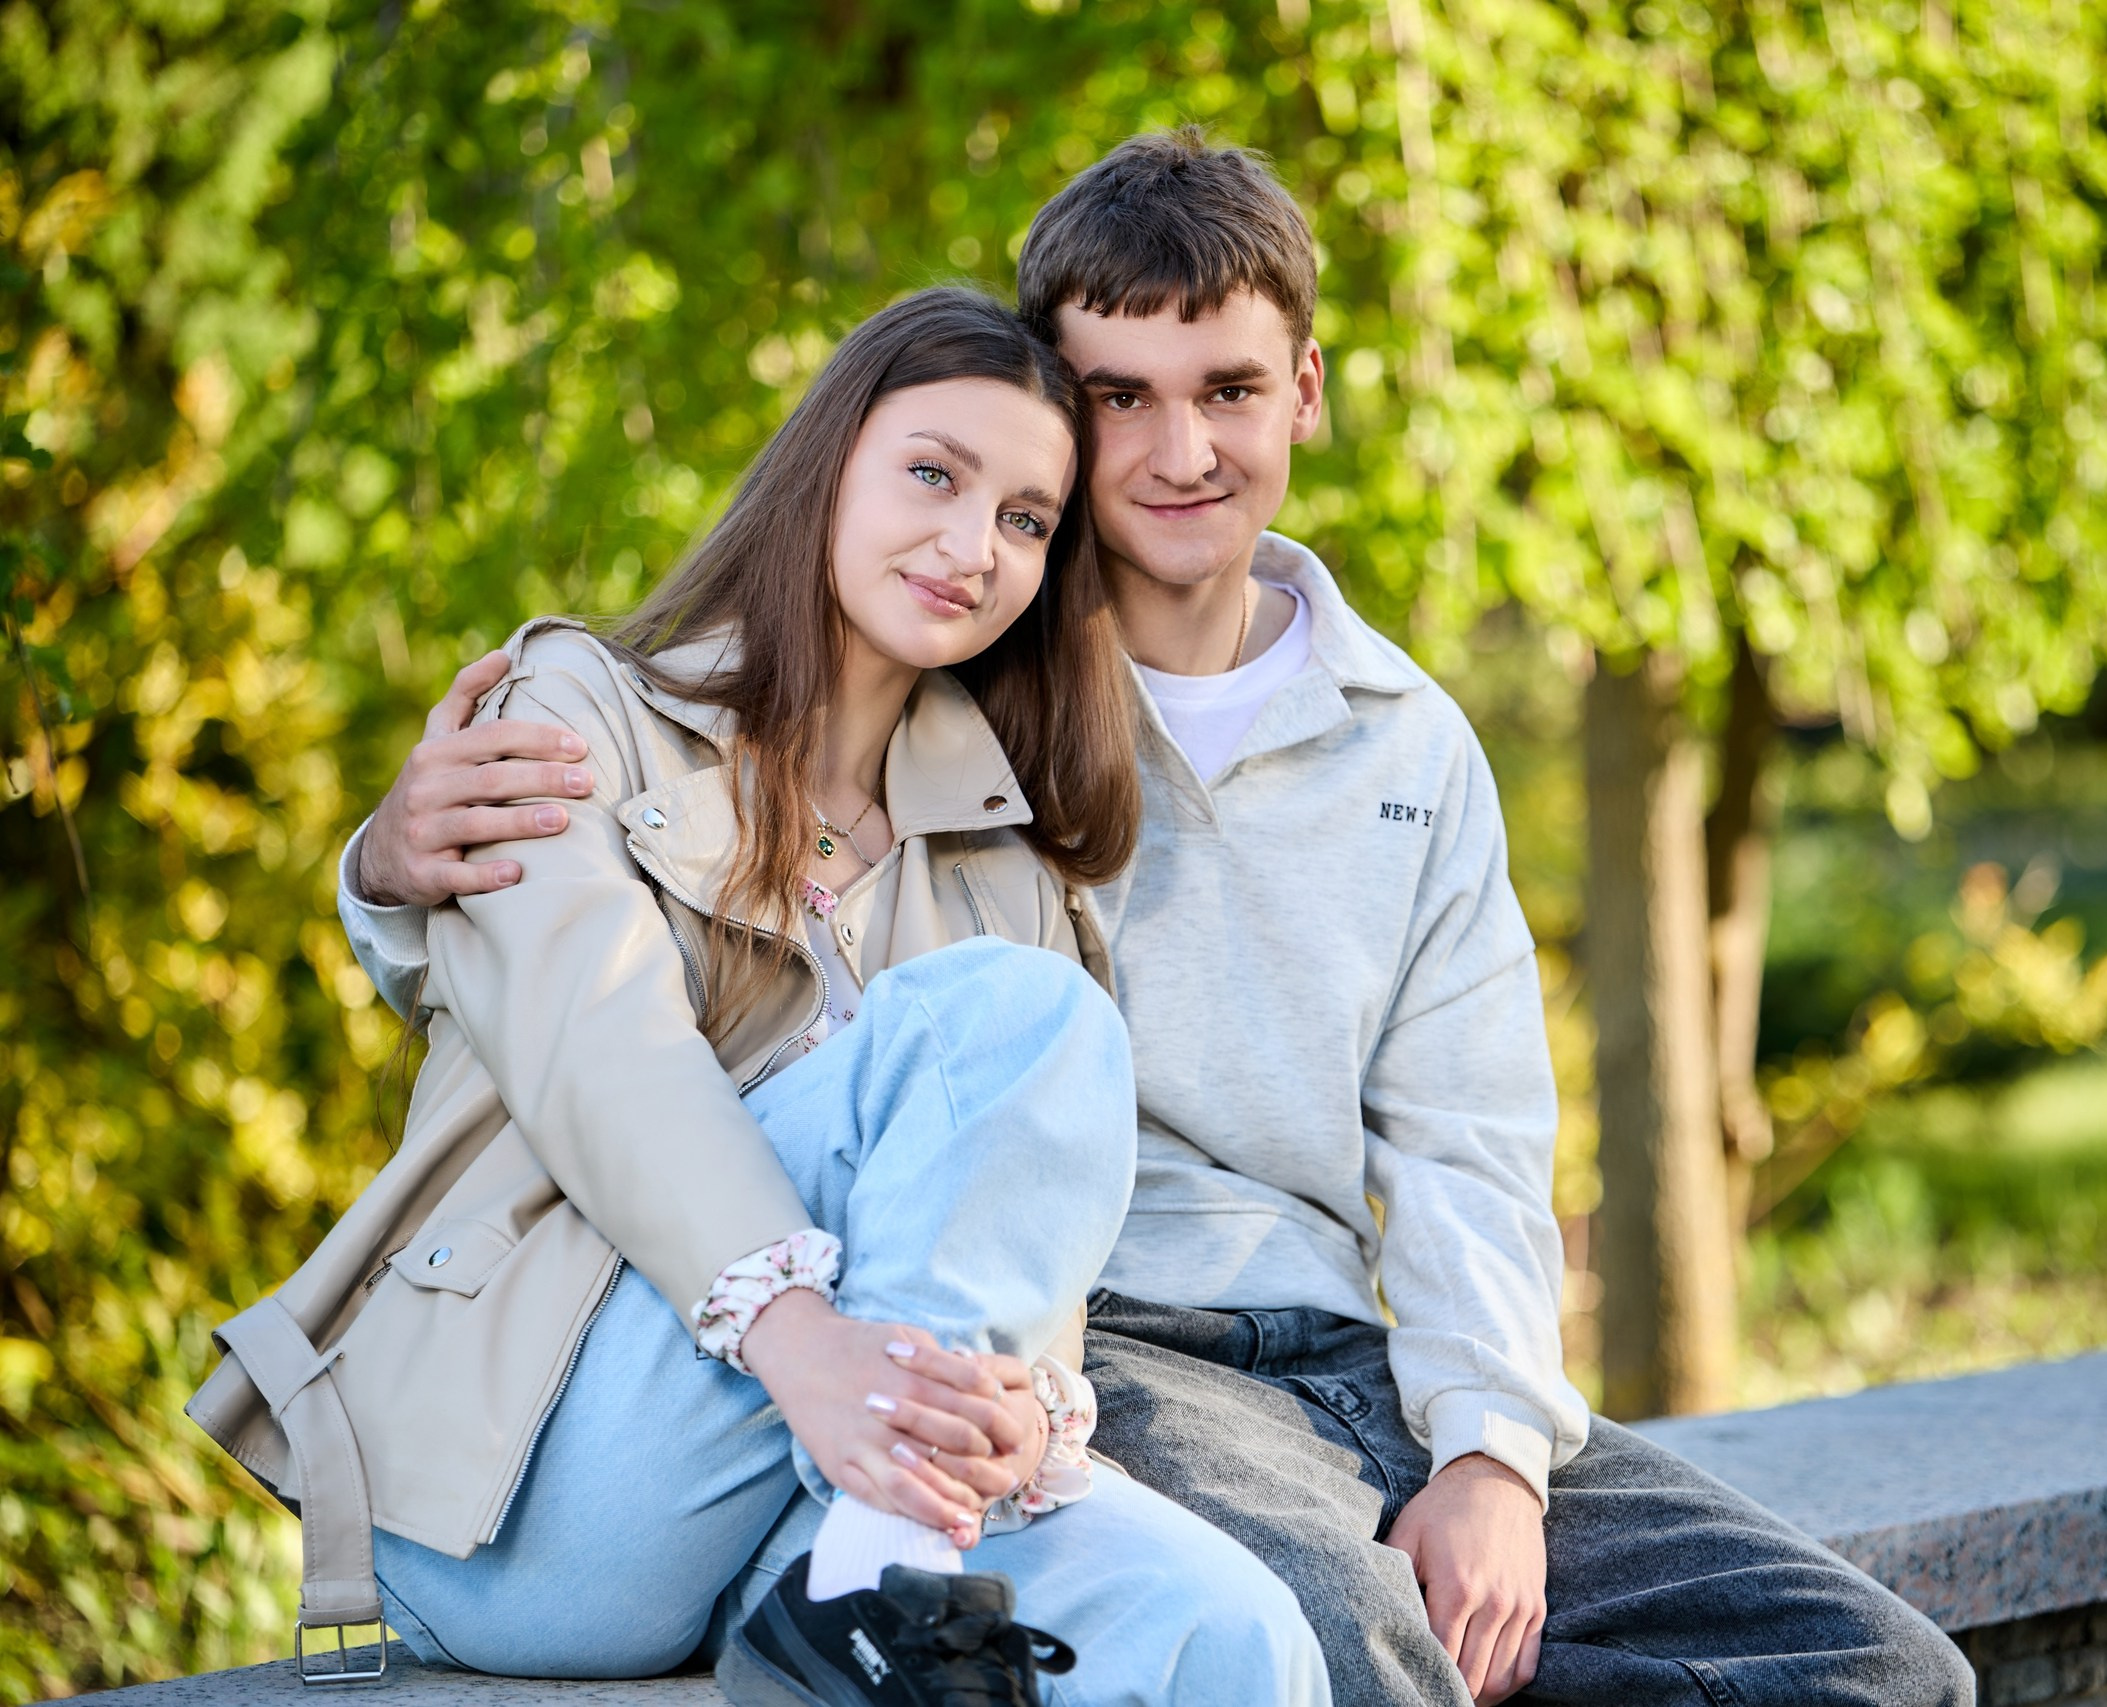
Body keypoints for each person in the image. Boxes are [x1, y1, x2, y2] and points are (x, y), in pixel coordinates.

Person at [336, 134, 1977, 1707]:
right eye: (1121, 400)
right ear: (1061, 409)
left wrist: (1486, 1454)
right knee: (1345, 1651)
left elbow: (1468, 1141)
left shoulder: (1407, 741)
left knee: (1879, 1672)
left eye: (1232, 392)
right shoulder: (965, 702)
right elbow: (691, 949)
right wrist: (394, 876)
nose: (1183, 452)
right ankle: (885, 1581)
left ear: (1306, 393)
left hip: (1356, 1353)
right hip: (1112, 1346)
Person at [188, 287, 1327, 1707]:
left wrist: (1014, 1423)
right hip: (536, 1494)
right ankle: (886, 1580)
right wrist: (808, 1351)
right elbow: (603, 1060)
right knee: (1018, 1021)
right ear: (828, 464)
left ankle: (881, 1573)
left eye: (1029, 521)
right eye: (933, 474)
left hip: (828, 1492)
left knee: (1234, 1632)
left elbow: (1011, 1262)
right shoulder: (572, 712)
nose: (975, 547)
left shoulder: (1005, 864)